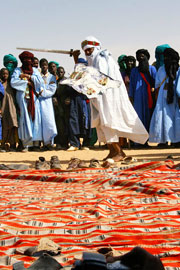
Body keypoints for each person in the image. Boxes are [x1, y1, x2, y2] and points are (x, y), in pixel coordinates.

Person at [72, 36, 149, 161]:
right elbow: (86, 71)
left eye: (89, 50)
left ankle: (119, 152)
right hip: (99, 97)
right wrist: (76, 59)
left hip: (108, 98)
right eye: (85, 51)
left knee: (108, 122)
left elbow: (98, 77)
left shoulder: (102, 58)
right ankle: (112, 151)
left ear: (95, 48)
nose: (87, 53)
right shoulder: (94, 59)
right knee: (102, 124)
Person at [10, 51, 44, 150]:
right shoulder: (18, 70)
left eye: (29, 59)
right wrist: (26, 83)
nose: (27, 61)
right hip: (23, 99)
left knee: (35, 119)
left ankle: (36, 144)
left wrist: (29, 77)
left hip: (34, 100)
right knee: (24, 120)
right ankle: (26, 144)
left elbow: (40, 82)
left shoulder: (35, 70)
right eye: (25, 60)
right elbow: (13, 82)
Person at [149, 48, 180, 146]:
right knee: (163, 118)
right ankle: (163, 140)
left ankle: (176, 140)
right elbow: (158, 85)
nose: (166, 59)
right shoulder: (161, 69)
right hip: (163, 98)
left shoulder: (178, 69)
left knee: (174, 119)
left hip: (175, 97)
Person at [129, 49, 156, 134]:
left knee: (149, 117)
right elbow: (132, 85)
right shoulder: (134, 71)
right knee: (138, 117)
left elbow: (156, 83)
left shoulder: (152, 69)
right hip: (137, 98)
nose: (141, 57)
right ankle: (139, 141)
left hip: (149, 97)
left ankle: (147, 139)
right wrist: (131, 97)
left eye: (143, 56)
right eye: (139, 56)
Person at [67, 58, 92, 151]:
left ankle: (86, 144)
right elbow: (68, 89)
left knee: (86, 122)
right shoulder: (73, 76)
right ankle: (74, 144)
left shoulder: (89, 77)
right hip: (74, 101)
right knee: (73, 121)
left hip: (85, 101)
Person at [39, 58, 57, 149]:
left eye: (45, 65)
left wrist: (42, 93)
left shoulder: (52, 77)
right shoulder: (38, 76)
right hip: (39, 102)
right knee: (41, 123)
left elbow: (52, 89)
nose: (44, 66)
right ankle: (43, 143)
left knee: (49, 122)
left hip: (48, 102)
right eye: (42, 65)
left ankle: (50, 142)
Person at [0, 68, 18, 151]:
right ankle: (3, 144)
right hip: (3, 107)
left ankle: (12, 144)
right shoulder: (0, 84)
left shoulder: (12, 84)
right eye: (3, 73)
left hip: (11, 107)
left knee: (12, 125)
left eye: (6, 74)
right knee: (4, 126)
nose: (5, 75)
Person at [53, 66, 70, 149]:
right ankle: (59, 143)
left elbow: (71, 92)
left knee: (66, 125)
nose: (60, 74)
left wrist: (68, 98)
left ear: (64, 72)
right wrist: (54, 98)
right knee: (59, 125)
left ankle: (66, 143)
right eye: (58, 72)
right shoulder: (55, 82)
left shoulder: (68, 82)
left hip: (66, 106)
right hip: (58, 106)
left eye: (61, 72)